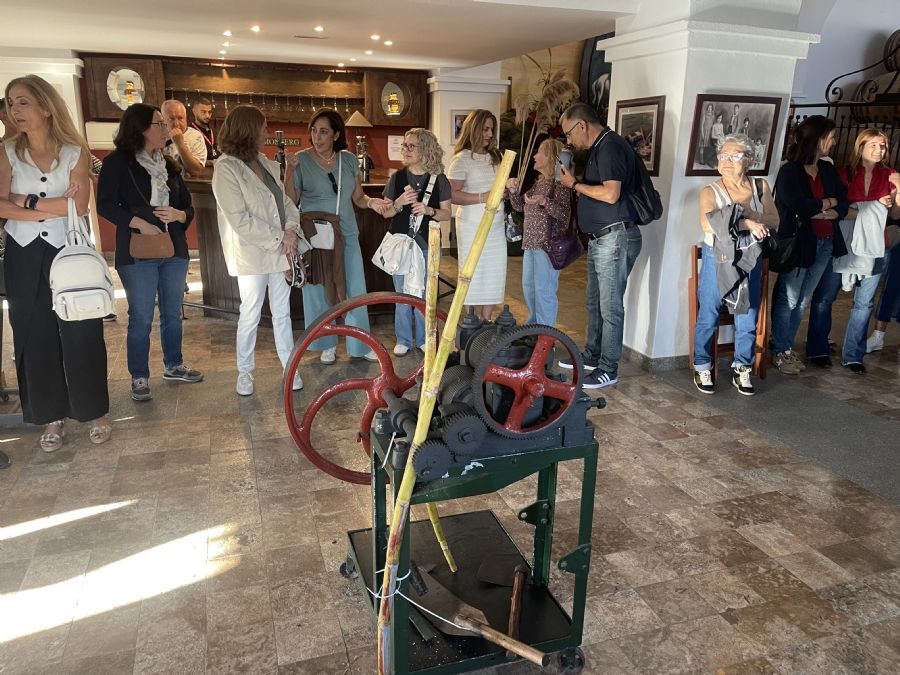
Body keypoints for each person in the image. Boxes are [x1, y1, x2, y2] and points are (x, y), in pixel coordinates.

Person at [0, 75, 111, 451]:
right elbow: (1, 205)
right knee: (34, 335)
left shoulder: (74, 151)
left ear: (46, 107)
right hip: (24, 254)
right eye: (11, 103)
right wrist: (53, 206)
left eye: (23, 102)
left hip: (68, 251)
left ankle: (94, 411)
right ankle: (50, 415)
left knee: (82, 330)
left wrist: (25, 201)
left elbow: (78, 206)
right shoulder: (6, 152)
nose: (14, 110)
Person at [97, 103, 203, 402]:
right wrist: (139, 223)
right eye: (159, 124)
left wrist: (180, 215)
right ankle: (139, 375)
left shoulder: (169, 164)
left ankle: (174, 365)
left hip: (174, 247)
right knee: (141, 316)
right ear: (140, 128)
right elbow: (105, 204)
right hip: (137, 250)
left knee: (172, 312)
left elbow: (187, 205)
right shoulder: (118, 163)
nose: (166, 129)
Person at [212, 105, 303, 395]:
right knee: (250, 312)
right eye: (263, 127)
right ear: (249, 131)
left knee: (282, 313)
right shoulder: (226, 168)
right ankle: (245, 373)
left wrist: (291, 230)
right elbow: (239, 219)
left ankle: (290, 367)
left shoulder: (264, 162)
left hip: (280, 248)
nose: (267, 132)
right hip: (252, 252)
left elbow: (285, 202)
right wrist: (280, 237)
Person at [557, 101, 642, 389]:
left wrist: (574, 185)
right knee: (594, 302)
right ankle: (592, 357)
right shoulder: (599, 148)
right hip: (602, 238)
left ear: (582, 125)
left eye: (569, 133)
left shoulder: (610, 148)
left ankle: (608, 368)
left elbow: (610, 194)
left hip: (615, 238)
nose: (569, 140)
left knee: (610, 306)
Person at [284, 108, 378, 364]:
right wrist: (290, 171)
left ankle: (360, 345)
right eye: (314, 131)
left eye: (324, 131)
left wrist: (373, 203)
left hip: (346, 232)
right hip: (315, 234)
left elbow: (358, 197)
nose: (317, 137)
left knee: (355, 287)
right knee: (318, 288)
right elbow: (291, 200)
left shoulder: (348, 160)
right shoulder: (301, 160)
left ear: (336, 135)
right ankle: (325, 343)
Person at [691, 134, 778, 396]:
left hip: (750, 255)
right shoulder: (711, 191)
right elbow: (708, 224)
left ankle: (742, 367)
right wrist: (747, 223)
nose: (727, 161)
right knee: (709, 313)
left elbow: (774, 220)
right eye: (723, 156)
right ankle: (702, 365)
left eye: (735, 156)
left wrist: (750, 214)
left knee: (747, 314)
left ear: (748, 160)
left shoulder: (760, 186)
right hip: (717, 257)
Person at [807, 129, 900, 373]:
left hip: (876, 245)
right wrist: (874, 207)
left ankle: (853, 355)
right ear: (861, 146)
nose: (879, 150)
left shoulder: (890, 175)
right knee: (825, 297)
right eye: (874, 145)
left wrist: (898, 193)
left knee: (864, 303)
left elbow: (894, 215)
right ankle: (817, 349)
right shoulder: (843, 173)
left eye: (883, 146)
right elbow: (839, 210)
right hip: (843, 242)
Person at [771, 115, 849, 374]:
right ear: (817, 139)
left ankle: (787, 346)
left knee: (803, 299)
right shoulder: (790, 171)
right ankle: (781, 349)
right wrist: (827, 204)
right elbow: (798, 205)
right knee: (790, 298)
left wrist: (825, 209)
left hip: (825, 241)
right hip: (800, 243)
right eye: (831, 137)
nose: (834, 142)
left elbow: (843, 200)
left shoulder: (827, 168)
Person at [373, 128, 451, 355]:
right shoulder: (397, 178)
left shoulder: (439, 180)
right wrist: (399, 202)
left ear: (425, 149)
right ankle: (404, 339)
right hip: (401, 245)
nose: (405, 150)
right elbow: (386, 213)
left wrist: (429, 210)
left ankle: (425, 338)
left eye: (411, 146)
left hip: (427, 244)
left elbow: (447, 213)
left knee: (426, 293)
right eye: (404, 145)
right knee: (402, 294)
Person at [506, 138, 573, 327]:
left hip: (546, 247)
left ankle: (545, 335)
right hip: (530, 246)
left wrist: (545, 202)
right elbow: (520, 206)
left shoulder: (560, 186)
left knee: (544, 291)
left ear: (550, 157)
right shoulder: (539, 183)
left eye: (539, 152)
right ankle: (534, 327)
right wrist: (513, 191)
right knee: (530, 288)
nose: (534, 156)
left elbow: (564, 215)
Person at [447, 109, 507, 321]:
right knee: (472, 271)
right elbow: (452, 195)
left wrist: (508, 188)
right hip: (472, 225)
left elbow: (498, 188)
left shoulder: (497, 157)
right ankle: (471, 321)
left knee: (494, 271)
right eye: (485, 129)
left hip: (496, 226)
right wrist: (484, 197)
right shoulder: (461, 159)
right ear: (473, 129)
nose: (490, 134)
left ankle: (487, 319)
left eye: (492, 130)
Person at [161, 99, 206, 175]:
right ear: (163, 120)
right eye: (171, 119)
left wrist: (180, 144)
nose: (176, 124)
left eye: (180, 118)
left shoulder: (195, 136)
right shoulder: (156, 135)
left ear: (186, 118)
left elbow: (196, 171)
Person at [190, 96, 218, 161]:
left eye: (209, 112)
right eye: (204, 112)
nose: (207, 116)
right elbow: (191, 160)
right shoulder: (190, 132)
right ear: (194, 112)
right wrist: (211, 162)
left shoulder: (214, 131)